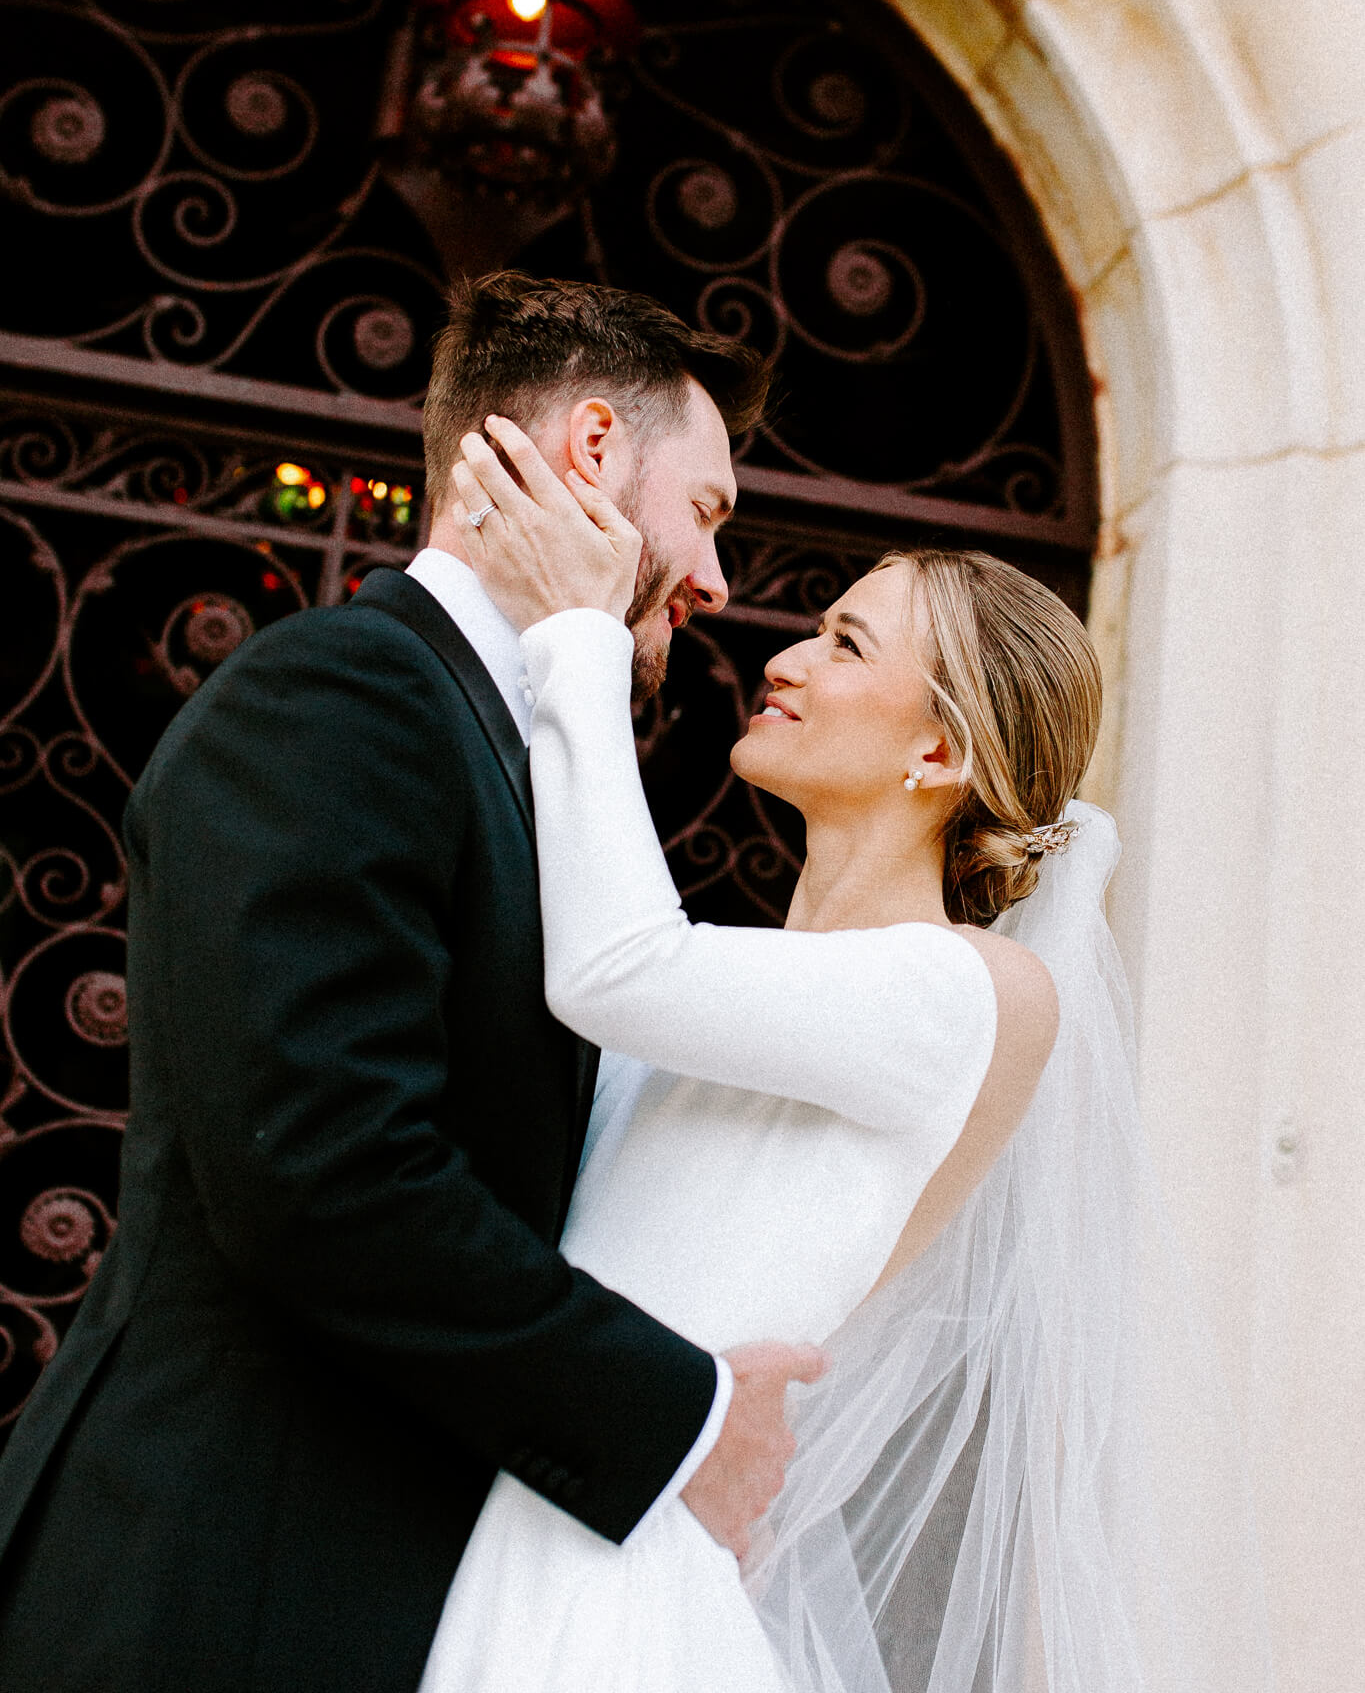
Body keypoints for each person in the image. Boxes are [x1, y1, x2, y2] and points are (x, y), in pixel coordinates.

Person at [0, 273, 841, 1692]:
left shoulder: (505, 746)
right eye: (706, 511)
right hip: (212, 1583)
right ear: (591, 450)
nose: (714, 582)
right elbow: (325, 1170)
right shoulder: (345, 693)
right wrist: (684, 1421)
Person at [413, 418, 1273, 1693]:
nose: (789, 656)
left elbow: (610, 967)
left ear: (939, 753)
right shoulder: (745, 984)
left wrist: (579, 633)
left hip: (616, 1598)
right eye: (818, 625)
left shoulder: (965, 991)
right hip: (533, 1524)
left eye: (847, 643)